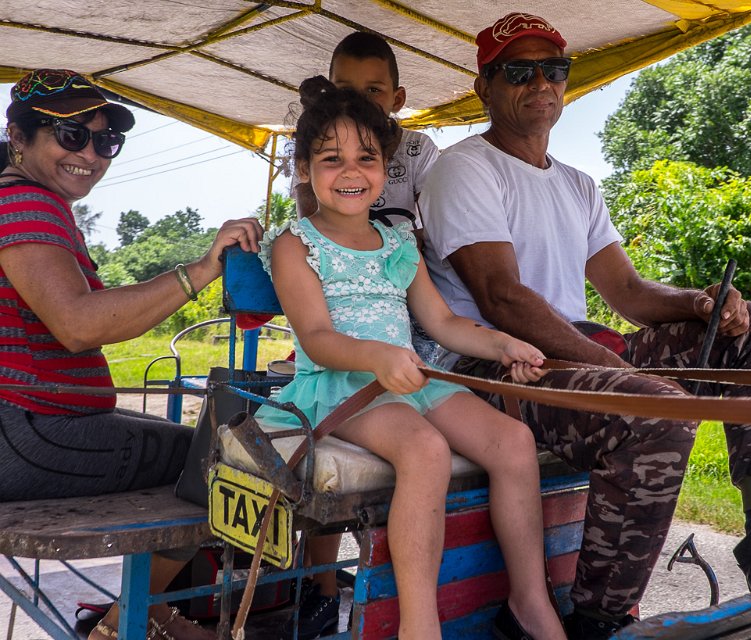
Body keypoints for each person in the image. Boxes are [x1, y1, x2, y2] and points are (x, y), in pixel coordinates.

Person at [419, 13, 751, 640]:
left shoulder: (577, 184)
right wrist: (622, 376)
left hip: (577, 352)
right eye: (520, 70)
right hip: (497, 365)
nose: (541, 81)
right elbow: (502, 298)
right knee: (654, 409)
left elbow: (628, 292)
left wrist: (702, 304)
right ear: (484, 86)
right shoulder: (465, 168)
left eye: (555, 69)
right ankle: (597, 618)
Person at [256, 75, 566, 640]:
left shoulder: (399, 241)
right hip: (338, 383)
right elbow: (317, 336)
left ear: (384, 167)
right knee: (425, 449)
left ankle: (530, 601)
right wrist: (376, 356)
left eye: (365, 157)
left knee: (513, 442)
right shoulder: (294, 244)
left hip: (410, 378)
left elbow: (442, 322)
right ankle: (419, 627)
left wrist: (504, 344)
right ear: (303, 169)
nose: (351, 172)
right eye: (331, 159)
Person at [0, 69, 263, 640]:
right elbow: (76, 324)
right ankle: (127, 622)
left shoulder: (32, 202)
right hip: (32, 432)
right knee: (226, 455)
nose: (91, 155)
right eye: (71, 136)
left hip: (37, 427)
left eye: (105, 141)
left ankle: (146, 612)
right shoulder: (25, 204)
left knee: (197, 442)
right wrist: (199, 271)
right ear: (18, 138)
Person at [289, 32, 440, 638]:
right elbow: (315, 229)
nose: (360, 103)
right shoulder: (308, 214)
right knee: (419, 443)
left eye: (373, 93)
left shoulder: (422, 154)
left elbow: (427, 241)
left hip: (403, 315)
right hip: (344, 346)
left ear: (396, 98)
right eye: (346, 91)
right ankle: (320, 586)